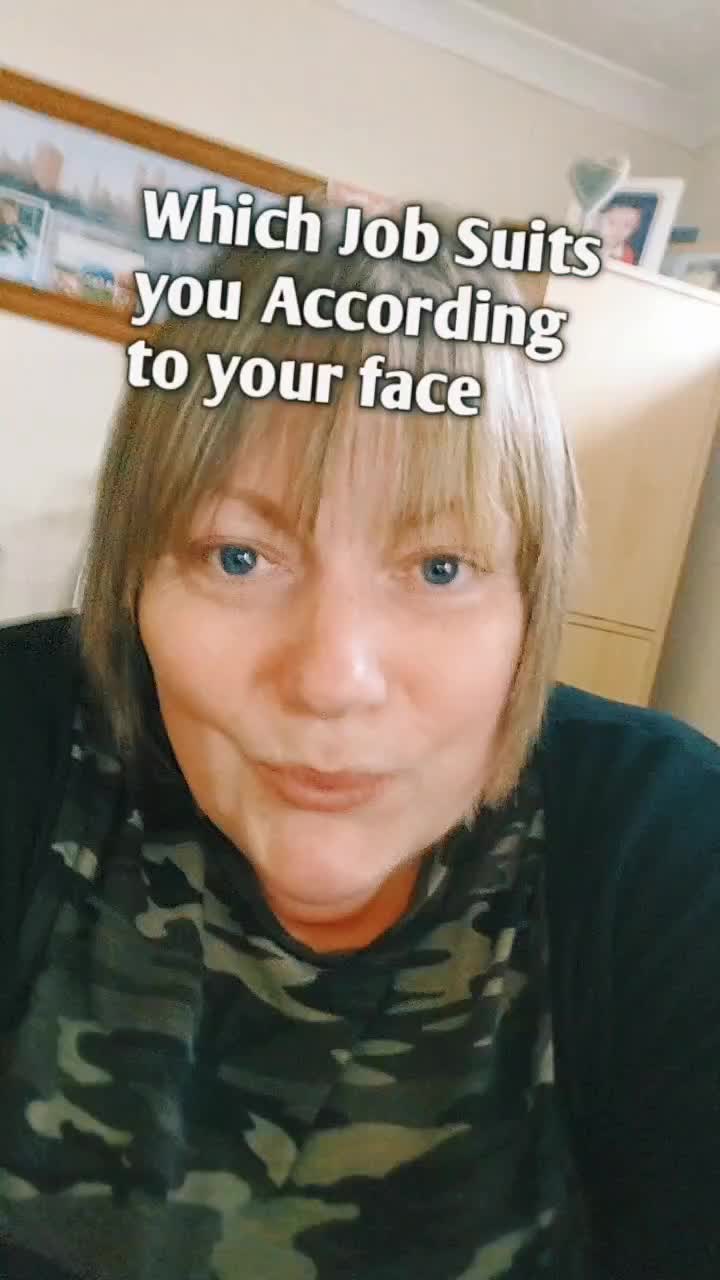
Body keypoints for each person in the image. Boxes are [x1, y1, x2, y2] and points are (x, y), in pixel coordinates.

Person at [1, 205, 719, 1280]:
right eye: (238, 556)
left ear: (530, 604)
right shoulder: (27, 738)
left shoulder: (667, 845)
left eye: (439, 567)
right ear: (134, 578)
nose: (334, 679)